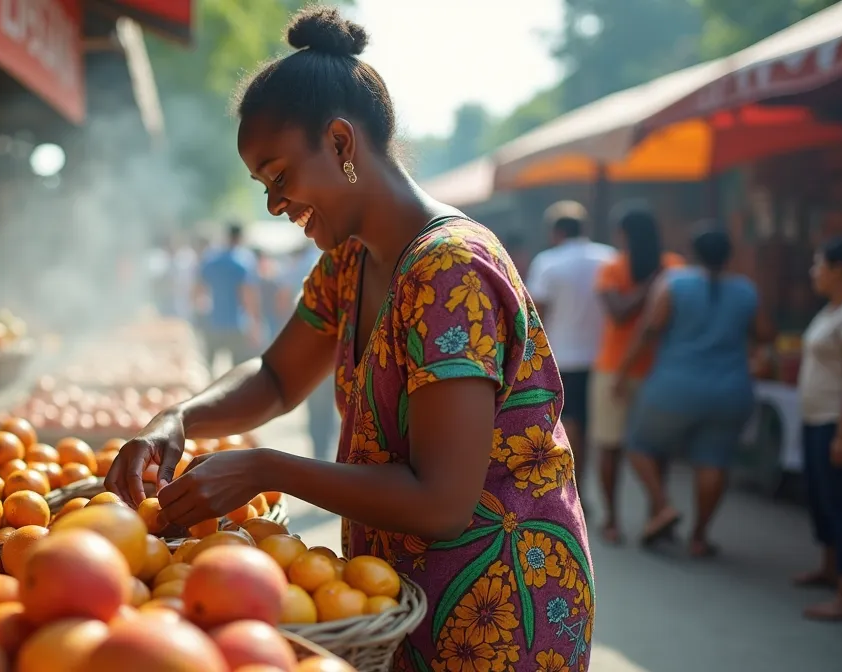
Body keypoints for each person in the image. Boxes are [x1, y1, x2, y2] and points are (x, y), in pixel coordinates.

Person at [107, 8, 594, 671]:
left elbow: (443, 502)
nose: (274, 206)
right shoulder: (350, 261)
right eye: (264, 187)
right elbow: (276, 378)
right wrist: (178, 419)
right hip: (397, 598)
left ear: (340, 143)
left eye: (279, 177)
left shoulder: (449, 269)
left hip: (497, 614)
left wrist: (265, 467)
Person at [615, 226, 768, 557]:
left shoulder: (674, 283)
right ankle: (699, 537)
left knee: (639, 446)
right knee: (713, 461)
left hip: (674, 386)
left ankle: (663, 505)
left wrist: (622, 372)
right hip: (731, 390)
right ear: (730, 255)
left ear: (693, 252)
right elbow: (765, 334)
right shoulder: (746, 291)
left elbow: (650, 330)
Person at [589, 203, 683, 544]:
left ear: (623, 235)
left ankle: (650, 515)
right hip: (643, 369)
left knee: (637, 447)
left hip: (622, 369)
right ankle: (624, 517)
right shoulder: (669, 269)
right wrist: (654, 285)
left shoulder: (615, 269)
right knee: (619, 446)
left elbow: (621, 313)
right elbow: (619, 315)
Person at [525, 201, 615, 514]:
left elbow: (536, 314)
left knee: (568, 428)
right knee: (598, 431)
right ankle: (591, 496)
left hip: (561, 357)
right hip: (604, 358)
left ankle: (572, 491)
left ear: (557, 231)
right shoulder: (609, 257)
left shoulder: (548, 262)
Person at [795, 237, 842, 621]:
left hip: (835, 422)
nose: (813, 272)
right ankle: (830, 568)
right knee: (823, 500)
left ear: (839, 269)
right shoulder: (831, 311)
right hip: (816, 418)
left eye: (819, 264)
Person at [280, 241, 339, 460]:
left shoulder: (301, 265)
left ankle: (319, 451)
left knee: (315, 403)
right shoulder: (333, 261)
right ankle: (325, 453)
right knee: (329, 405)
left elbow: (283, 297)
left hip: (308, 346)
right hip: (332, 349)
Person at [198, 223, 262, 372]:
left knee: (209, 368)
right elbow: (247, 294)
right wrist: (255, 323)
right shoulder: (243, 261)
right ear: (240, 237)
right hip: (236, 323)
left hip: (212, 321)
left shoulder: (211, 260)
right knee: (237, 370)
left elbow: (198, 291)